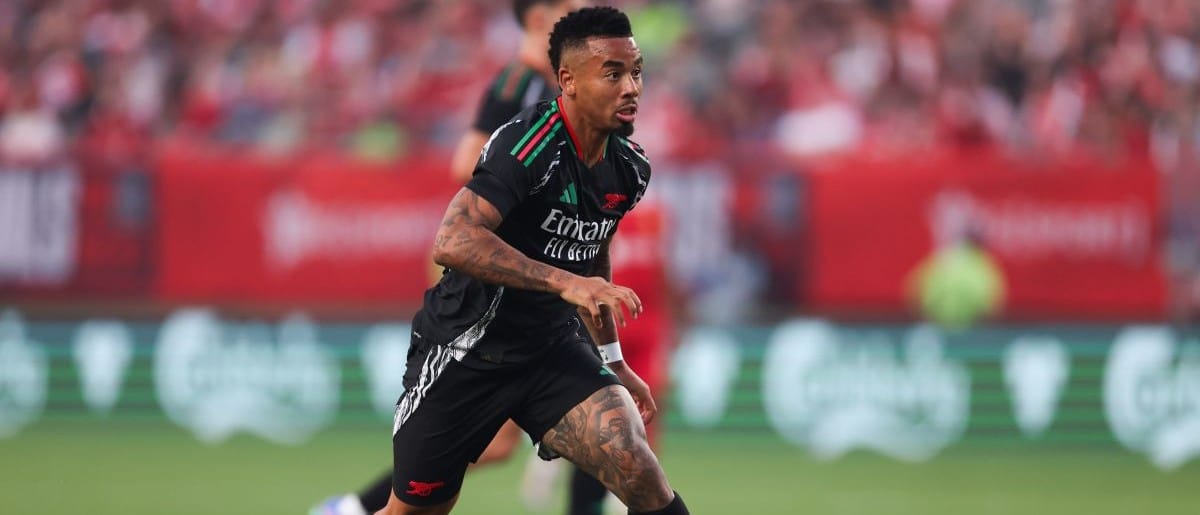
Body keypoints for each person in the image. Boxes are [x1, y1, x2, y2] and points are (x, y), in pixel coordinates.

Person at [380, 6, 689, 515]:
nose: (631, 87)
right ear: (567, 80)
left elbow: (594, 258)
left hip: (551, 351)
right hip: (467, 350)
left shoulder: (629, 169)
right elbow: (453, 240)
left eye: (636, 72)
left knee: (642, 475)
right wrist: (564, 282)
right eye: (612, 73)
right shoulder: (528, 143)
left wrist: (614, 362)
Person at [309, 2, 591, 514]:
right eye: (568, 8)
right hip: (485, 271)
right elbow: (468, 159)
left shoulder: (546, 88)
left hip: (505, 272)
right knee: (470, 428)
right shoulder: (521, 85)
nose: (579, 17)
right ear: (537, 19)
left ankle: (353, 506)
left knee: (493, 441)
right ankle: (353, 507)